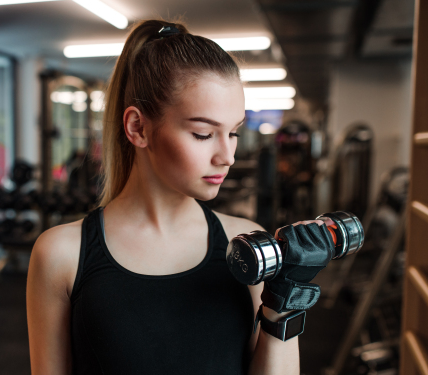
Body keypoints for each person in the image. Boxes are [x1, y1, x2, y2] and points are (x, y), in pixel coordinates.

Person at [27, 19, 333, 374]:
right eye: (203, 134)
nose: (227, 156)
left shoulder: (245, 246)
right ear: (138, 128)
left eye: (233, 133)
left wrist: (284, 301)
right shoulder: (61, 254)